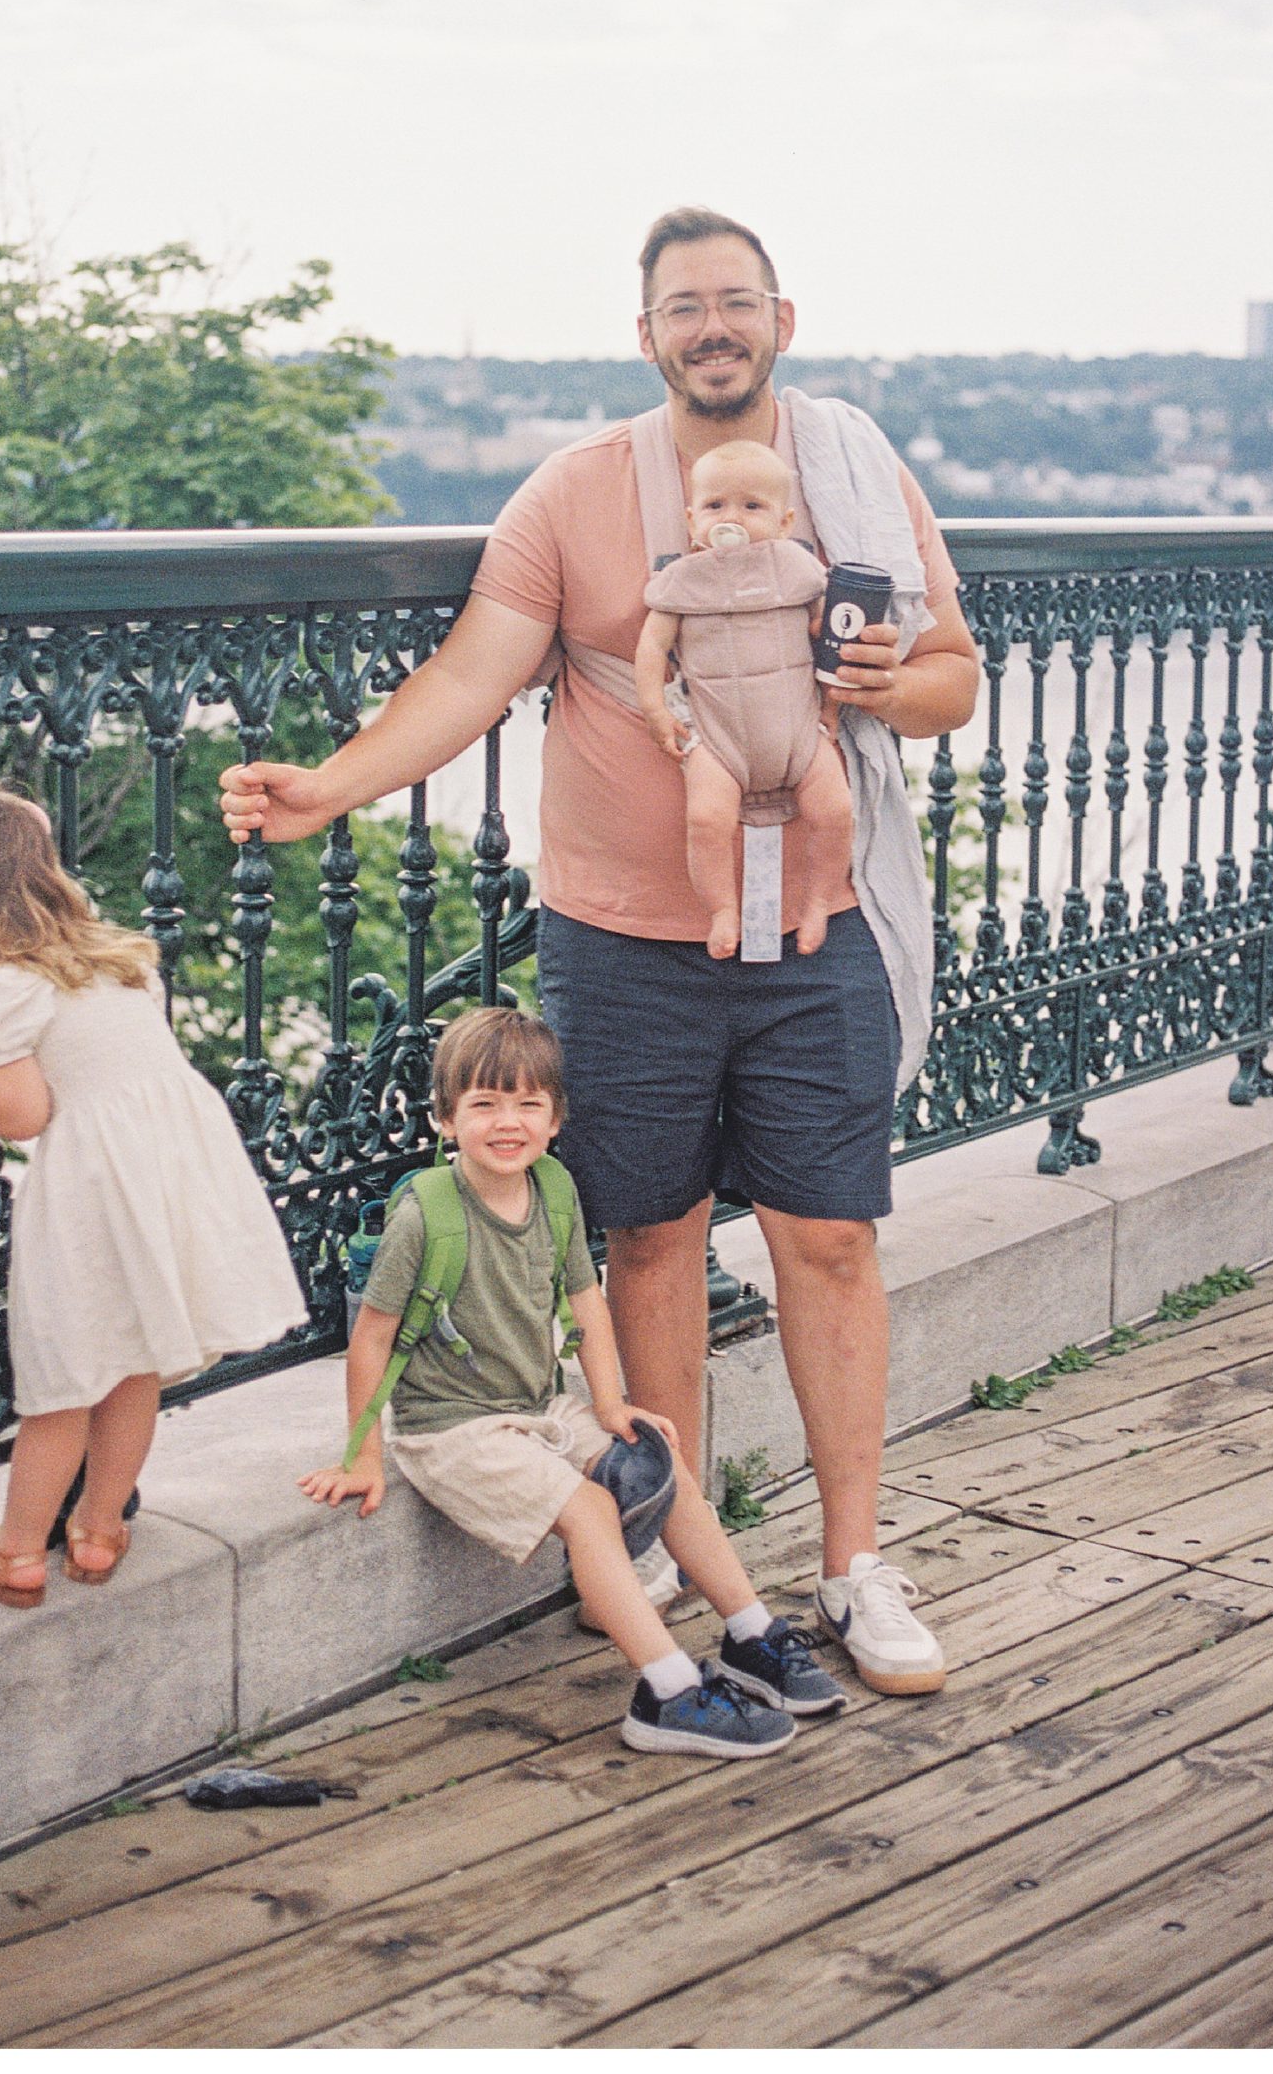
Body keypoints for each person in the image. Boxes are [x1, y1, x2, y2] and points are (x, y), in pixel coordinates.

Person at [222, 208, 980, 1696]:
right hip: (623, 944)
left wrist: (897, 683)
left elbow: (954, 676)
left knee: (830, 1238)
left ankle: (852, 1566)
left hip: (813, 929)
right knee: (651, 1240)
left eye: (735, 302)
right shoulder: (573, 495)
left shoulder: (857, 478)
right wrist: (326, 789)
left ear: (781, 320)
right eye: (683, 306)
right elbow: (468, 676)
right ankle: (659, 1547)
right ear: (646, 338)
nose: (713, 326)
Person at [301, 1007, 844, 1755]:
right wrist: (362, 1454)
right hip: (451, 1426)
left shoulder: (553, 1188)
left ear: (556, 1119)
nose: (507, 1123)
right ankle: (667, 1693)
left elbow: (585, 1296)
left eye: (528, 1104)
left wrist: (614, 1401)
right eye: (484, 1104)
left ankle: (751, 1633)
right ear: (444, 1117)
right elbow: (373, 1336)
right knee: (589, 1511)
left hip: (535, 1403)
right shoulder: (426, 1216)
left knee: (661, 1459)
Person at [0, 786, 308, 1608]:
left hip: (93, 1187)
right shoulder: (117, 959)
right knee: (134, 1363)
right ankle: (97, 1528)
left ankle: (14, 1551)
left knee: (66, 1373)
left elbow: (23, 1114)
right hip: (171, 1171)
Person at [635, 438, 851, 960]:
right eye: (715, 506)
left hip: (798, 733)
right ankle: (722, 910)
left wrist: (831, 705)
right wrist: (655, 710)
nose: (732, 517)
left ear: (784, 521)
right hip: (719, 739)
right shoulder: (680, 581)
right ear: (692, 520)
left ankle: (820, 900)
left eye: (752, 506)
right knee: (706, 821)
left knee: (836, 810)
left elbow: (831, 642)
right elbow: (652, 647)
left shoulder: (799, 572)